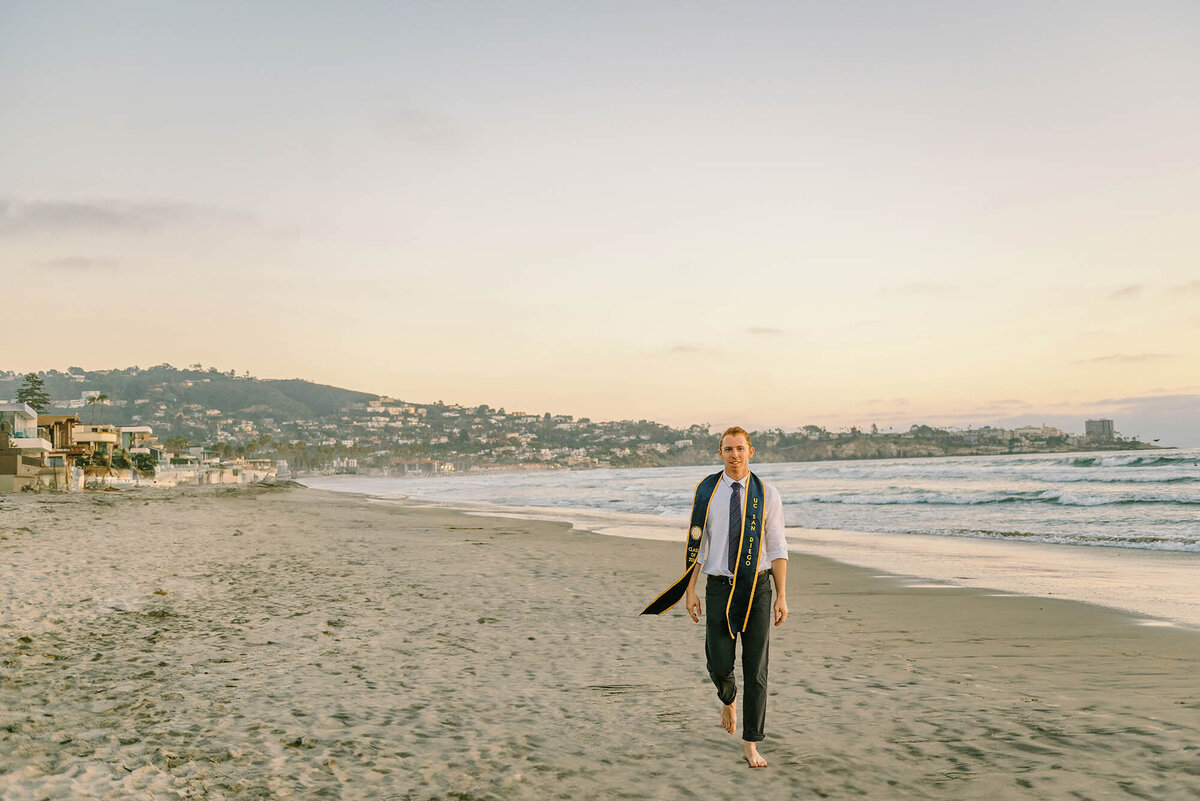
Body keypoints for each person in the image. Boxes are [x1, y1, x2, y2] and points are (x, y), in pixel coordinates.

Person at [684, 427, 788, 767]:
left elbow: (776, 547)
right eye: (728, 449)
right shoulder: (707, 493)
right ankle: (728, 699)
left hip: (757, 588)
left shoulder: (767, 494)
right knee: (718, 662)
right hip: (719, 587)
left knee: (756, 669)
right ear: (720, 453)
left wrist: (781, 595)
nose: (735, 455)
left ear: (751, 451)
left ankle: (751, 744)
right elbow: (698, 547)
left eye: (740, 448)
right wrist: (690, 590)